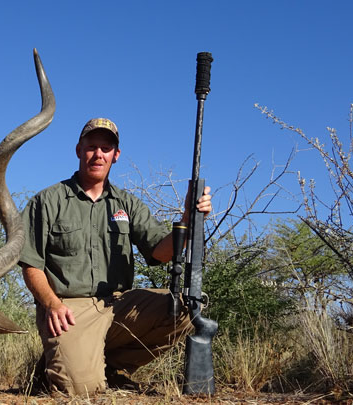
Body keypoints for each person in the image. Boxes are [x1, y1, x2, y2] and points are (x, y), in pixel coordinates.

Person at [19, 117, 212, 395]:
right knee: (81, 389)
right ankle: (66, 361)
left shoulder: (127, 203)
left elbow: (160, 250)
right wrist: (51, 304)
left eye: (106, 148)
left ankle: (109, 366)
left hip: (118, 305)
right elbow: (30, 264)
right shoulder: (47, 201)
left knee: (182, 309)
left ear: (115, 155)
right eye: (91, 147)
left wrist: (187, 219)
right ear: (78, 150)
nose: (98, 154)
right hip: (70, 310)